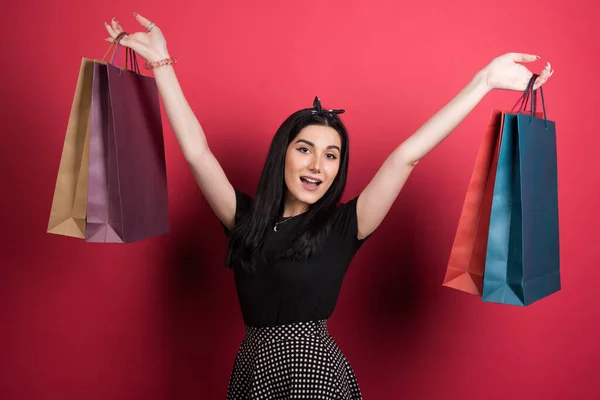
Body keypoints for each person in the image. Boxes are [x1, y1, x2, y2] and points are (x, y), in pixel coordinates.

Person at [103, 13, 554, 400]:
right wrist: (161, 63)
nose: (317, 165)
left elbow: (406, 156)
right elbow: (198, 153)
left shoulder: (346, 225)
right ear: (283, 154)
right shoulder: (244, 220)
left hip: (313, 375)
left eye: (332, 155)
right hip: (253, 371)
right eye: (305, 149)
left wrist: (484, 82)